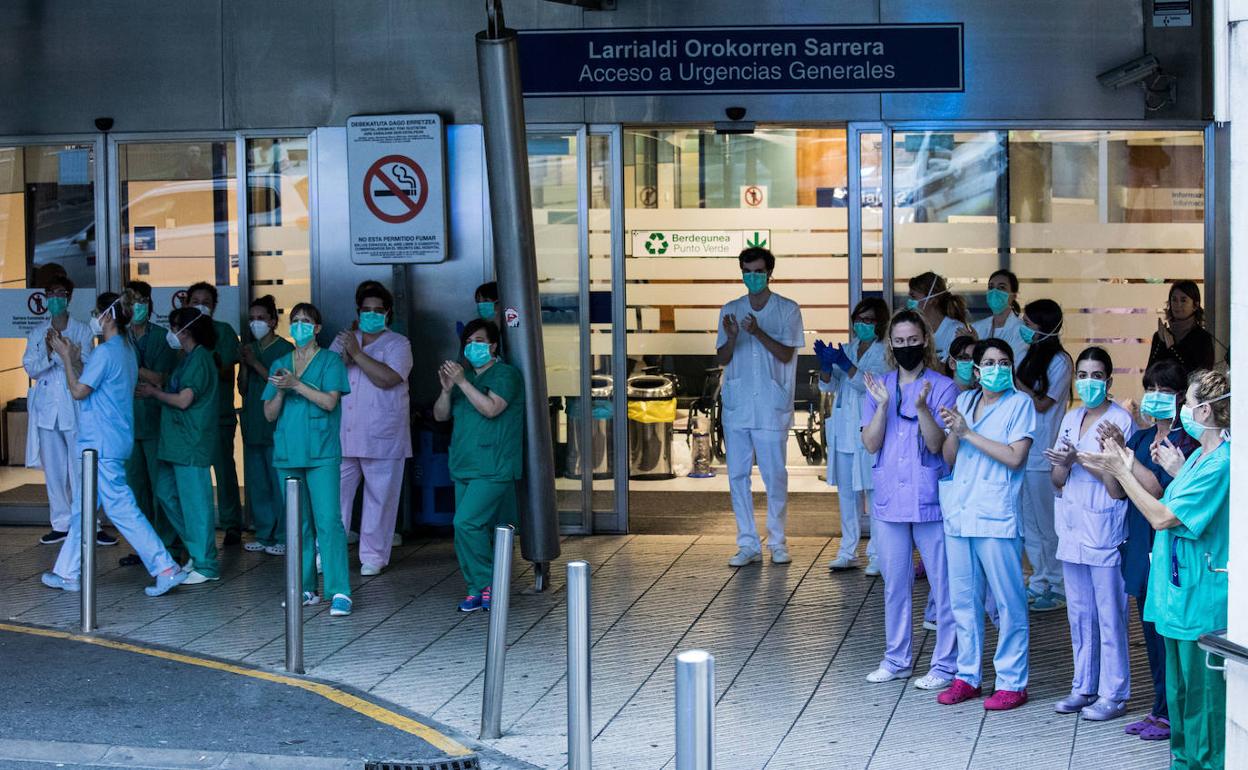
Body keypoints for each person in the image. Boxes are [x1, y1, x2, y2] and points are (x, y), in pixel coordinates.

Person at [1080, 370, 1229, 770]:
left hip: (1200, 599)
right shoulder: (1199, 455)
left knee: (1203, 706)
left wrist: (1123, 472)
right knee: (1179, 702)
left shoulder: (1223, 462)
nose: (1181, 409)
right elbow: (1180, 492)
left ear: (1205, 409)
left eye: (1187, 401)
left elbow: (1163, 516)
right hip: (1176, 596)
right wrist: (1159, 467)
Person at [40, 291, 188, 597]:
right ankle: (67, 571)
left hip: (101, 445)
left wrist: (67, 358)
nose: (95, 318)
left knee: (121, 509)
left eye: (97, 312)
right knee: (83, 510)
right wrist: (77, 359)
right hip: (110, 440)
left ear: (107, 315)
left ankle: (165, 567)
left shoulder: (108, 351)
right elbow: (95, 382)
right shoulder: (123, 349)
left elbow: (79, 391)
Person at [1094, 359, 1197, 742]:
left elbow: (1155, 488)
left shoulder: (1186, 442)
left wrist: (1127, 460)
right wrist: (1113, 451)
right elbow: (1116, 488)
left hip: (1169, 554)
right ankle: (1159, 709)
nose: (1155, 398)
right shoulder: (1139, 438)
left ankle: (1174, 713)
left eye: (1164, 391)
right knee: (1152, 637)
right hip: (1141, 551)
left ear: (1181, 397)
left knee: (1171, 640)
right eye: (1150, 388)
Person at [859, 310, 959, 691]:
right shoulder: (878, 385)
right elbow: (870, 443)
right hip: (889, 501)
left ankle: (944, 665)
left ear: (925, 341)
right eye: (898, 342)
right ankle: (896, 659)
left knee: (943, 584)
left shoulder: (944, 388)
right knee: (894, 584)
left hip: (929, 497)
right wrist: (883, 406)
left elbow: (936, 444)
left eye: (912, 340)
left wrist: (921, 409)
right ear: (890, 345)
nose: (906, 347)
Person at [936, 338, 1036, 711]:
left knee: (1009, 602)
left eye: (1004, 362)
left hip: (996, 516)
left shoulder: (1020, 404)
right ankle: (968, 676)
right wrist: (954, 432)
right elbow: (950, 457)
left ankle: (1012, 681)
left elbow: (1014, 457)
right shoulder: (965, 402)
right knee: (963, 601)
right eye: (990, 363)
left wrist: (967, 433)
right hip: (961, 513)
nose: (998, 369)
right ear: (975, 371)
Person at [1044, 347, 1135, 721]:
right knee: (1079, 614)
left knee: (1110, 615)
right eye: (1083, 374)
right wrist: (1066, 464)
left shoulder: (1120, 421)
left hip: (1105, 528)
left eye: (1097, 375)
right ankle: (1083, 685)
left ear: (1109, 382)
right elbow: (1057, 481)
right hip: (1071, 526)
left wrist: (1086, 459)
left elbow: (1118, 487)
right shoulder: (1070, 417)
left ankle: (1114, 692)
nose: (1088, 382)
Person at [263, 303, 353, 617]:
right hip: (288, 453)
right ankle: (304, 587)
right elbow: (269, 413)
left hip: (321, 453)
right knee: (297, 525)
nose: (300, 325)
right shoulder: (280, 363)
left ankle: (339, 590)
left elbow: (330, 402)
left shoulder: (330, 361)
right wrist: (281, 392)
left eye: (306, 321)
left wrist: (297, 384)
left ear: (317, 328)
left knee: (328, 521)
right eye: (295, 321)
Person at [715, 247, 804, 567]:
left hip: (770, 405)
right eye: (746, 271)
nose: (751, 277)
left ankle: (778, 541)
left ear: (770, 273)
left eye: (757, 271)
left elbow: (785, 354)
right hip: (739, 407)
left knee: (774, 476)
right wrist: (733, 337)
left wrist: (757, 332)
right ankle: (747, 543)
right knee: (737, 475)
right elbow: (722, 358)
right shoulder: (730, 309)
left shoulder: (788, 310)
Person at [434, 319, 523, 612]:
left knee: (466, 522)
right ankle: (476, 588)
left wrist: (461, 382)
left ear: (494, 345)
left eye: (480, 341)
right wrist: (447, 390)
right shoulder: (465, 379)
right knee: (467, 530)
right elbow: (440, 417)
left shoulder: (505, 375)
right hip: (464, 465)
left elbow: (491, 409)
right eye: (469, 342)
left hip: (494, 466)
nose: (473, 347)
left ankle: (489, 584)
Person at [23, 274, 115, 547]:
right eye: (50, 294)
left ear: (68, 297)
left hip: (75, 406)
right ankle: (61, 524)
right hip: (47, 409)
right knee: (54, 471)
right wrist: (52, 354)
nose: (55, 299)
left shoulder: (82, 331)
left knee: (81, 469)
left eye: (60, 294)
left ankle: (90, 523)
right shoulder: (37, 332)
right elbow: (31, 367)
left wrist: (67, 354)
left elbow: (85, 366)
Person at [333, 282, 413, 576]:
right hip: (343, 434)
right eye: (366, 310)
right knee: (334, 497)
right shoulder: (344, 340)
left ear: (387, 313)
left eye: (377, 311)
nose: (371, 315)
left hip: (383, 436)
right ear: (357, 312)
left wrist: (357, 354)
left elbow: (388, 378)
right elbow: (329, 375)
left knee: (380, 498)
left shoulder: (398, 344)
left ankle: (373, 556)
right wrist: (347, 354)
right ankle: (329, 552)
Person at [139, 307, 221, 584]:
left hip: (191, 442)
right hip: (176, 442)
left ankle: (206, 564)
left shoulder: (200, 360)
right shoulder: (184, 359)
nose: (171, 333)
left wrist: (154, 393)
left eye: (174, 327)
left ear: (186, 330)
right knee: (166, 493)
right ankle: (197, 553)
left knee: (196, 505)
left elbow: (184, 400)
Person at [816, 297, 889, 574]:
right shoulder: (848, 348)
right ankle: (848, 551)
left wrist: (847, 365)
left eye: (869, 320)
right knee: (847, 496)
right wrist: (825, 365)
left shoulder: (886, 353)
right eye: (859, 320)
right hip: (844, 433)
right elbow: (828, 387)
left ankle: (877, 555)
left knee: (874, 493)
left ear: (880, 323)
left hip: (870, 431)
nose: (863, 325)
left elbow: (872, 385)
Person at [1014, 298, 1072, 612]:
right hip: (1022, 452)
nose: (1024, 329)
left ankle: (1059, 584)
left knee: (1048, 524)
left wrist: (1015, 381)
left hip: (1043, 453)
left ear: (1045, 328)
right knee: (1029, 524)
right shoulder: (1027, 356)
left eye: (1029, 324)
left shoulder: (1060, 362)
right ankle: (1039, 581)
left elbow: (1042, 403)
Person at [120, 281, 179, 566]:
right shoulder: (120, 336)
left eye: (143, 301)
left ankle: (166, 543)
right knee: (135, 488)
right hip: (129, 424)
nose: (138, 307)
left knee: (161, 489)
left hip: (155, 421)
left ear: (151, 304)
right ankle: (142, 546)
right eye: (133, 301)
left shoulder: (162, 338)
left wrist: (132, 367)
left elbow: (160, 378)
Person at [186, 282, 244, 545]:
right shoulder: (181, 335)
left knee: (224, 472)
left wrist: (206, 353)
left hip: (218, 415)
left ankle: (232, 524)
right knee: (192, 475)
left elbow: (224, 368)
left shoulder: (224, 331)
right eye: (196, 300)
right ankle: (196, 526)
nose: (201, 305)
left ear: (214, 305)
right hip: (188, 419)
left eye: (206, 301)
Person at [239, 295, 293, 555]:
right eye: (252, 319)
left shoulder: (283, 350)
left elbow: (278, 382)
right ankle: (264, 534)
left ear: (273, 321)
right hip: (253, 423)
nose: (256, 323)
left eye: (261, 318)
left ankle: (283, 534)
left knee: (278, 483)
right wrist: (246, 366)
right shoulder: (249, 348)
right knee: (258, 484)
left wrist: (255, 364)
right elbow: (243, 387)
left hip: (274, 426)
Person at [1146, 280, 1216, 374]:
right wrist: (1161, 343)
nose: (1178, 305)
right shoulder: (1160, 336)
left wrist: (1172, 347)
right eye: (1174, 300)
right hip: (1161, 389)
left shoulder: (1202, 338)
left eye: (1183, 300)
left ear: (1195, 305)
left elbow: (1200, 377)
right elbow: (1149, 376)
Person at [906, 271, 971, 366]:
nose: (910, 301)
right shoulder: (914, 328)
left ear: (932, 299)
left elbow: (953, 371)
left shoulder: (955, 330)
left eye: (913, 297)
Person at [971, 269, 1028, 363]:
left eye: (1001, 287)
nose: (994, 291)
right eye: (991, 287)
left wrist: (977, 345)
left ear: (1014, 296)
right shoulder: (976, 327)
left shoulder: (1021, 330)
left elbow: (1014, 365)